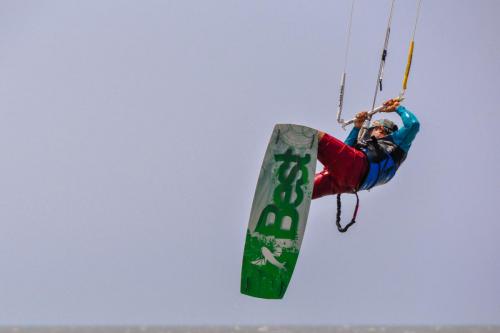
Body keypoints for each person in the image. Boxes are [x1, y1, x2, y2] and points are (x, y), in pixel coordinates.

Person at [312, 98, 420, 199]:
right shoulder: (370, 147)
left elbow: (413, 124)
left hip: (357, 168)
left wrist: (398, 108)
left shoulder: (397, 141)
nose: (366, 137)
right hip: (349, 183)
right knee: (305, 187)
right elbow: (343, 152)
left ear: (382, 130)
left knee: (315, 137)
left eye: (369, 133)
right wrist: (357, 127)